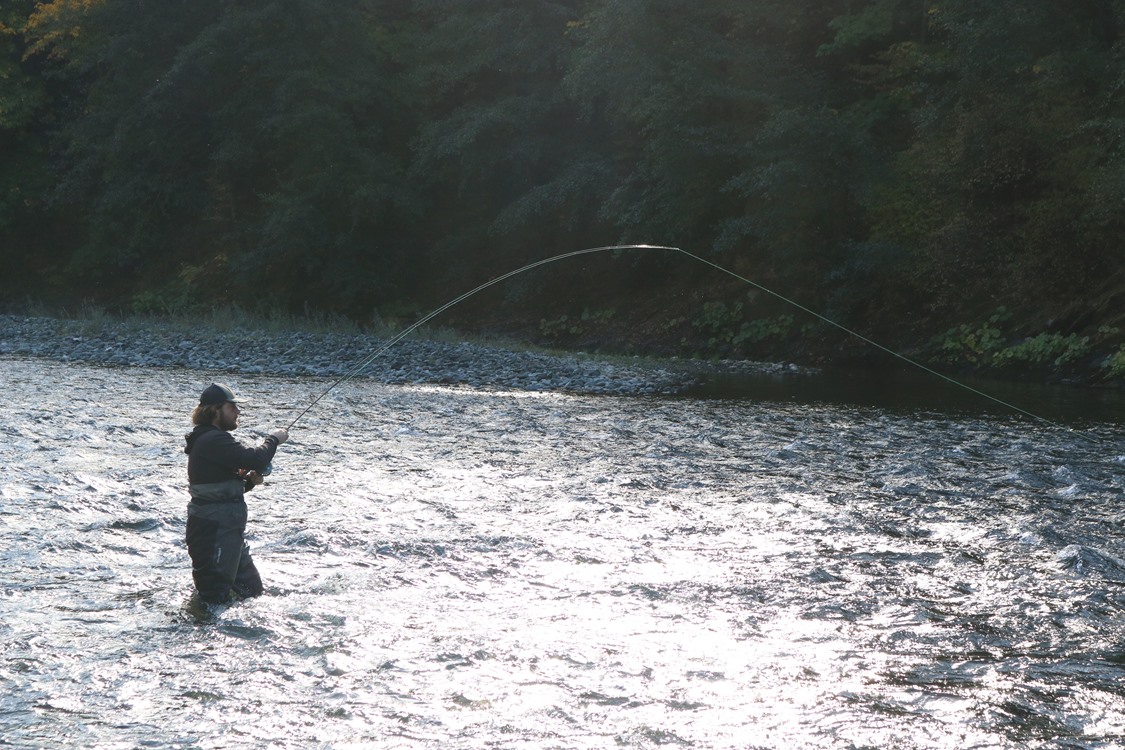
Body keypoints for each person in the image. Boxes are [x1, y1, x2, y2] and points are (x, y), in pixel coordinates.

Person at [184, 382, 289, 604]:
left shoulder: (210, 439)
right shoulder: (212, 439)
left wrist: (248, 483)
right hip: (213, 532)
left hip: (227, 531)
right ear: (215, 410)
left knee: (251, 591)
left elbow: (218, 489)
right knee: (214, 598)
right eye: (232, 407)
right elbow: (256, 459)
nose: (238, 411)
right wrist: (273, 439)